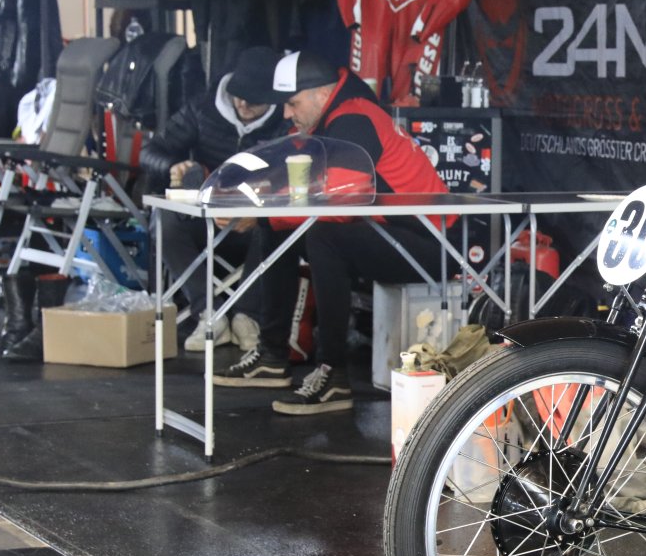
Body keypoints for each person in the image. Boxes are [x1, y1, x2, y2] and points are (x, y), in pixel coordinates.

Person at [214, 51, 450, 415]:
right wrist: (252, 203)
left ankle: (333, 374)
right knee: (276, 228)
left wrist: (263, 217)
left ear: (322, 94)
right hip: (391, 231)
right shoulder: (323, 119)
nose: (285, 114)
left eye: (292, 103)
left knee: (322, 236)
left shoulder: (353, 118)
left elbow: (340, 207)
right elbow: (289, 187)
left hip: (432, 245)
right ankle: (272, 356)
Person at [142, 46, 288, 350]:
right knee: (163, 218)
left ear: (273, 99)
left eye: (254, 100)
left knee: (278, 222)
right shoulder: (202, 109)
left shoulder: (286, 123)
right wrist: (173, 166)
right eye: (239, 96)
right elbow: (150, 151)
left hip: (255, 225)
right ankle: (208, 313)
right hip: (205, 221)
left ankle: (248, 316)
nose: (243, 104)